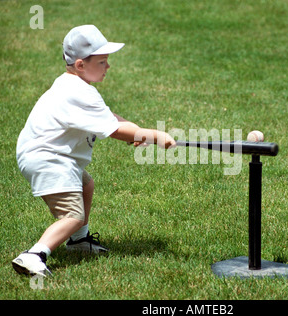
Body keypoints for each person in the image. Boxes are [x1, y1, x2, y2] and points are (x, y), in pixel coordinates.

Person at [12, 25, 176, 277]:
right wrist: (154, 136)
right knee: (73, 214)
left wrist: (141, 132)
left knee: (85, 185)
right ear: (80, 64)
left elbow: (110, 119)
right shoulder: (78, 92)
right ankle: (34, 254)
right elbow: (113, 130)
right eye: (102, 62)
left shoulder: (73, 86)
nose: (107, 67)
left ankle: (78, 241)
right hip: (48, 158)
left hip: (51, 156)